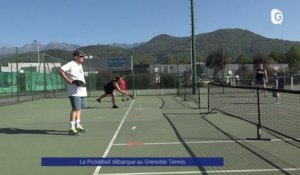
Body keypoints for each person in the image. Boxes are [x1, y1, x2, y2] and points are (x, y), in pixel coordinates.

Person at [59, 49, 87, 136]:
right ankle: (71, 128)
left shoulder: (80, 66)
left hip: (82, 90)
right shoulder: (71, 64)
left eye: (83, 56)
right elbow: (61, 70)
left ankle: (78, 125)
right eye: (81, 56)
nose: (83, 58)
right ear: (76, 57)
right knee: (75, 109)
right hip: (74, 92)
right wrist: (68, 80)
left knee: (79, 108)